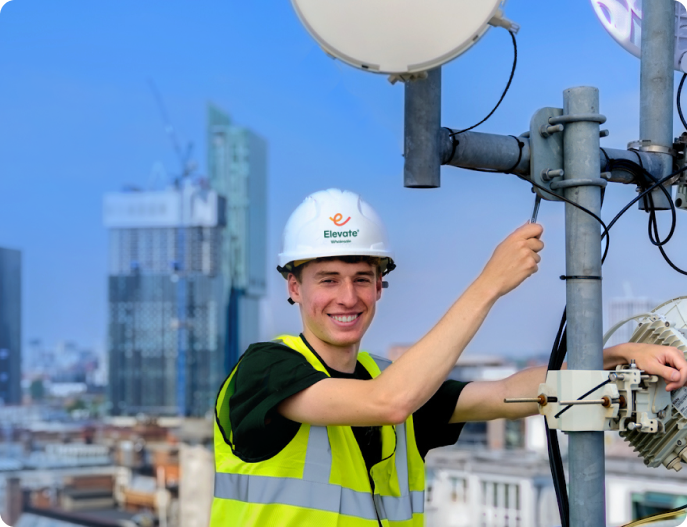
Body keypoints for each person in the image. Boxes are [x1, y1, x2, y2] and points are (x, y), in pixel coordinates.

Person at [210, 188, 687, 527]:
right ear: (294, 288)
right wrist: (489, 284)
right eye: (328, 279)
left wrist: (618, 356)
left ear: (380, 284)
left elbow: (506, 393)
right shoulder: (265, 370)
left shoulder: (389, 377)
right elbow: (387, 403)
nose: (347, 296)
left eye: (361, 277)